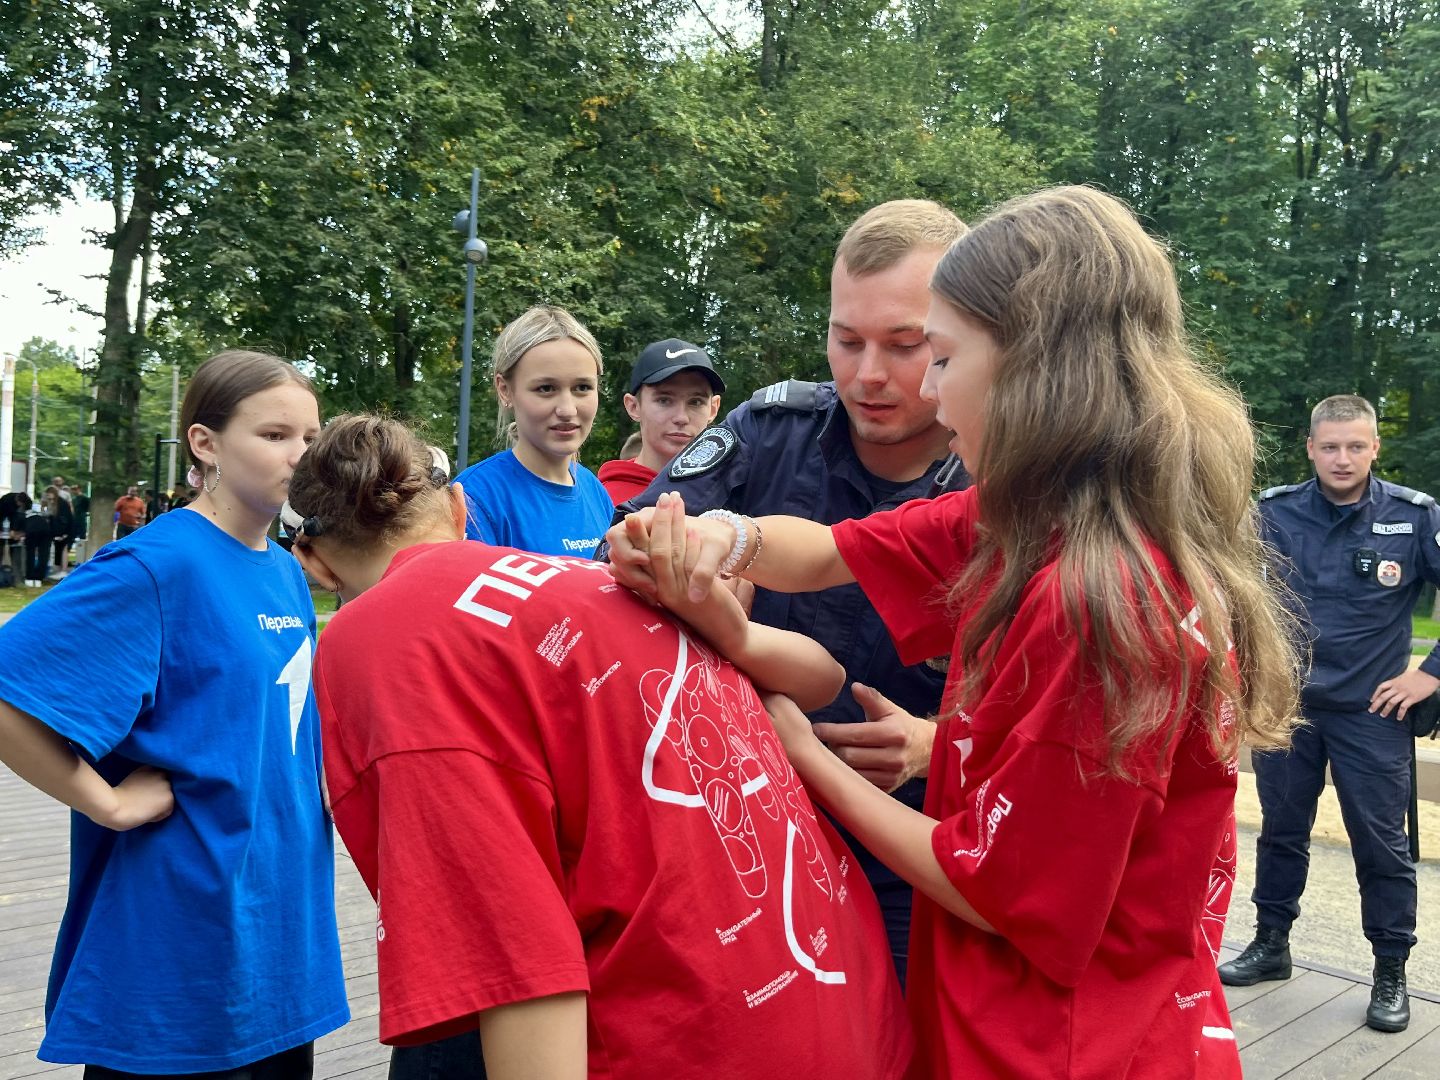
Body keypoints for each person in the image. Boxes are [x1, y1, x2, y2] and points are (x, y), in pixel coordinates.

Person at [609, 185, 1302, 1078]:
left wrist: (802, 752)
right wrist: (720, 535)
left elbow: (1000, 893)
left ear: (1030, 370)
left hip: (1058, 1044)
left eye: (935, 356)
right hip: (1042, 1018)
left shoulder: (1098, 605)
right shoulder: (1034, 519)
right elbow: (828, 552)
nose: (924, 392)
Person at [284, 414, 912, 1080]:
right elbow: (821, 680)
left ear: (313, 562)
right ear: (460, 508)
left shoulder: (377, 639)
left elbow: (515, 959)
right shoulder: (594, 582)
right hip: (848, 1006)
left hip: (693, 1042)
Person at [607, 199, 970, 979]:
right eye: (847, 339)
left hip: (908, 849)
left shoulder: (1003, 480)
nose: (867, 374)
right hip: (741, 825)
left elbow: (1068, 715)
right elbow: (630, 536)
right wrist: (654, 552)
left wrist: (935, 742)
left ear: (958, 339)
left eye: (905, 345)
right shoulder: (772, 427)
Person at [0, 349, 348, 1076]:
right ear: (205, 443)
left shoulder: (286, 569)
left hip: (281, 949)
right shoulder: (160, 564)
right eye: (276, 435)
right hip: (175, 959)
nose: (301, 456)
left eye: (311, 438)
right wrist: (106, 803)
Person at [1218, 394, 1440, 1033]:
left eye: (1356, 446)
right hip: (1288, 706)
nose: (1343, 458)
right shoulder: (1271, 514)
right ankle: (1270, 945)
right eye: (1330, 446)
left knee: (1381, 845)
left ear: (1375, 448)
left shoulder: (1414, 518)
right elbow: (1232, 589)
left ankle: (1390, 971)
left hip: (1372, 713)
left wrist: (1428, 675)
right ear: (1311, 449)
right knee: (1281, 831)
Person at [453, 305, 613, 558]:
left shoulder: (595, 491)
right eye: (546, 388)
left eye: (582, 387)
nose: (567, 409)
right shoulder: (475, 499)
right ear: (505, 389)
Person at [597, 338, 724, 503]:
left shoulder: (733, 494)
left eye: (696, 402)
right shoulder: (601, 503)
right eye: (664, 400)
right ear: (633, 407)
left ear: (713, 409)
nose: (681, 418)